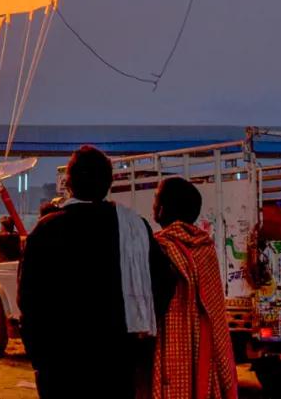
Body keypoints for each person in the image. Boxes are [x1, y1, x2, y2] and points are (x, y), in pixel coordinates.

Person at [18, 145, 159, 399]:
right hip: (116, 362)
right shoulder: (136, 227)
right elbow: (159, 285)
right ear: (109, 183)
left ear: (68, 183)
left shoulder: (46, 230)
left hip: (60, 364)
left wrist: (38, 356)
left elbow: (28, 299)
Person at [151, 177, 237, 399]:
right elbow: (217, 319)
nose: (154, 204)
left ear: (162, 208)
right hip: (205, 359)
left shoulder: (158, 248)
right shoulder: (206, 249)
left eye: (156, 199)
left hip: (169, 358)